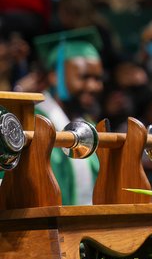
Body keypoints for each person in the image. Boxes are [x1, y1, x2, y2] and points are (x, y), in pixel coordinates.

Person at [29, 28, 104, 206]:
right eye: (84, 77)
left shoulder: (90, 126)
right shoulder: (32, 123)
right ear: (55, 77)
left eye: (97, 78)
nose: (94, 86)